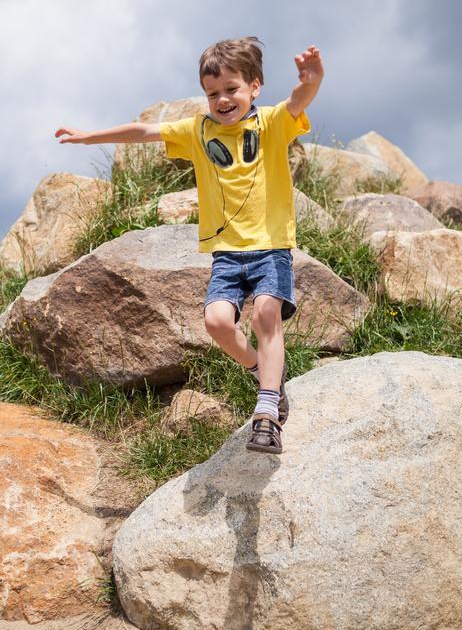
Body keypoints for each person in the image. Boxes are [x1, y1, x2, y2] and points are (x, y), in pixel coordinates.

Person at [55, 36, 323, 454]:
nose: (222, 99)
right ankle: (259, 369)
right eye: (212, 93)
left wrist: (312, 79)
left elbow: (297, 101)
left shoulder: (271, 124)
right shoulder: (198, 132)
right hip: (227, 254)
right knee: (217, 323)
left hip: (271, 247)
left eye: (231, 89)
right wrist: (90, 138)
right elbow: (144, 131)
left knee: (265, 316)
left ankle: (268, 411)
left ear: (255, 86)